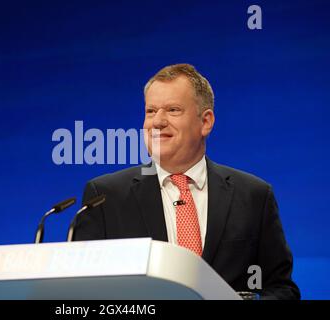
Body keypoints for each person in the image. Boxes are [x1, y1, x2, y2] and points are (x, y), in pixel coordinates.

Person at [74, 63, 300, 300]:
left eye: (172, 110)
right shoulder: (104, 197)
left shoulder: (254, 195)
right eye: (151, 111)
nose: (157, 122)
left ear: (206, 122)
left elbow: (282, 289)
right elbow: (83, 293)